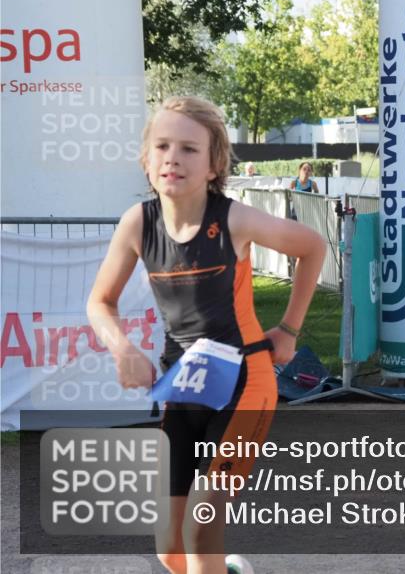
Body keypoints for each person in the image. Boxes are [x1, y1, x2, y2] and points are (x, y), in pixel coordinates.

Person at [87, 96, 326, 574]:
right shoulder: (138, 223)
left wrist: (289, 329)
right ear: (146, 160)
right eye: (162, 146)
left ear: (215, 163)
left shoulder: (234, 218)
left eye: (189, 149)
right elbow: (100, 302)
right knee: (169, 549)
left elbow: (313, 246)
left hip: (246, 382)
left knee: (201, 524)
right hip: (184, 385)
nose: (173, 157)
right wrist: (123, 348)